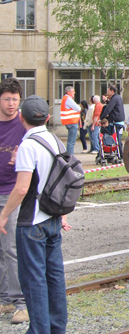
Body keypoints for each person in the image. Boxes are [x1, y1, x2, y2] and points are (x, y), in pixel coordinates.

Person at [0, 95, 71, 334]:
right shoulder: (56, 141)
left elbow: (21, 188)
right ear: (48, 118)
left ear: (21, 118)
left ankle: (39, 330)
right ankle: (57, 327)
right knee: (54, 277)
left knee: (34, 281)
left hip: (31, 223)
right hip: (52, 218)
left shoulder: (28, 146)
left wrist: (4, 214)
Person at [0, 79, 27, 325]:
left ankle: (21, 303)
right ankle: (4, 299)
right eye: (7, 99)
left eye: (15, 100)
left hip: (12, 193)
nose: (11, 104)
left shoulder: (23, 124)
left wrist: (21, 158)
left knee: (10, 249)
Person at [99, 84, 125, 150]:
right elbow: (112, 105)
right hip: (120, 120)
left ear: (112, 91)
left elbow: (109, 109)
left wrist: (101, 118)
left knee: (116, 138)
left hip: (116, 120)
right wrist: (107, 101)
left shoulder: (114, 98)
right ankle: (119, 153)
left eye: (108, 91)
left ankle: (119, 152)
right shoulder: (118, 97)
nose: (107, 93)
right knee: (117, 137)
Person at [59, 86, 80, 156]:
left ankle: (69, 155)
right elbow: (78, 108)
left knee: (70, 141)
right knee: (71, 141)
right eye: (73, 91)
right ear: (68, 92)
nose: (74, 93)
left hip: (68, 122)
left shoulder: (65, 99)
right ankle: (70, 156)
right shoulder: (68, 99)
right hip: (72, 122)